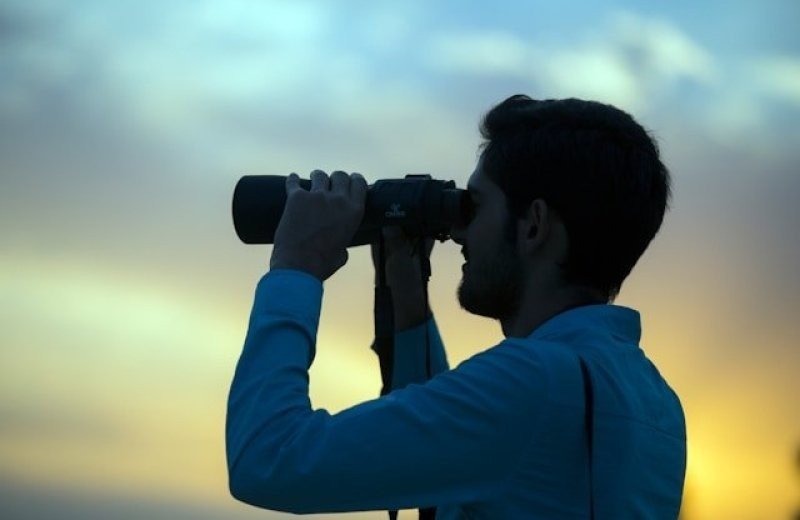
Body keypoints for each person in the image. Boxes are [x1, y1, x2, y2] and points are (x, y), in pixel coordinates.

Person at [226, 95, 687, 518]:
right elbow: (458, 460)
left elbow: (267, 458)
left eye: (475, 207)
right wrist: (410, 308)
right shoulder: (657, 402)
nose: (458, 233)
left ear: (534, 225)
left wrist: (296, 267)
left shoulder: (533, 380)